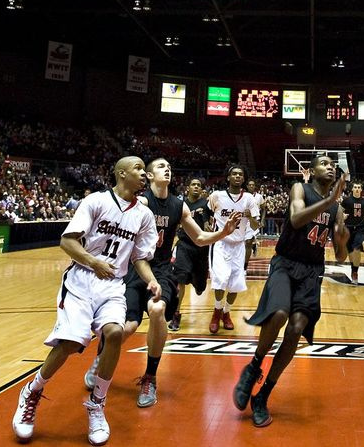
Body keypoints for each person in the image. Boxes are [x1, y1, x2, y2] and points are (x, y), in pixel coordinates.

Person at [12, 156, 160, 445]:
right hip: (81, 279)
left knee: (115, 333)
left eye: (146, 170)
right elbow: (67, 242)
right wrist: (94, 262)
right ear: (121, 174)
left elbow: (139, 257)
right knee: (70, 343)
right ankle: (32, 390)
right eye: (139, 169)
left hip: (113, 284)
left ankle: (96, 405)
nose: (145, 175)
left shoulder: (144, 215)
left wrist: (150, 279)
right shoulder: (95, 202)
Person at [83, 159, 240, 408]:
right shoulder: (141, 202)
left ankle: (150, 377)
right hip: (134, 268)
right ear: (149, 175)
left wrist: (224, 233)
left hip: (162, 270)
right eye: (160, 167)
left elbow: (199, 237)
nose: (167, 169)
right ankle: (101, 357)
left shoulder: (179, 205)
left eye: (169, 166)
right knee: (127, 327)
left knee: (157, 310)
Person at [232, 155, 349, 427]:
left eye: (333, 164)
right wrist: (330, 200)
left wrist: (342, 243)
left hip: (311, 272)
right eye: (324, 162)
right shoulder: (300, 189)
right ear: (311, 170)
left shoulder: (337, 211)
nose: (330, 166)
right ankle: (253, 367)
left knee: (296, 328)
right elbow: (296, 219)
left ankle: (263, 395)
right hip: (285, 263)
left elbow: (342, 257)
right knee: (279, 313)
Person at [207, 164, 257, 334]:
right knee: (220, 280)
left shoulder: (249, 199)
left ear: (244, 178)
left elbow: (257, 224)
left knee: (236, 284)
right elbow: (207, 212)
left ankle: (226, 312)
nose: (237, 177)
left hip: (239, 245)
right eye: (234, 174)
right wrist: (207, 226)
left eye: (240, 174)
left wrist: (251, 218)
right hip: (220, 243)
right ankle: (217, 312)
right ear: (228, 177)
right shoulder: (217, 196)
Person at [168, 177, 213, 332]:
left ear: (201, 190)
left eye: (198, 185)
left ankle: (197, 282)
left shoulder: (206, 205)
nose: (196, 187)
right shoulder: (179, 205)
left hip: (201, 248)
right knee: (179, 280)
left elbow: (209, 223)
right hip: (184, 246)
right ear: (187, 188)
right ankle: (176, 313)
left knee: (200, 286)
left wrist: (210, 229)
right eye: (193, 184)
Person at [341, 181, 364, 284]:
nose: (357, 189)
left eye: (359, 187)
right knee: (350, 251)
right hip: (348, 228)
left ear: (361, 189)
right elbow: (339, 211)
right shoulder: (346, 200)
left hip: (360, 228)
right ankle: (353, 269)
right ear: (352, 189)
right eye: (355, 187)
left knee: (356, 248)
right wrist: (342, 216)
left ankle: (355, 272)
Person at [244, 178, 267, 264]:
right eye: (249, 185)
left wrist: (262, 220)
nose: (251, 186)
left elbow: (264, 209)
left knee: (248, 241)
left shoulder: (259, 197)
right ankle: (253, 246)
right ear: (247, 186)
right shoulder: (243, 195)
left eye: (253, 185)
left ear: (255, 187)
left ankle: (245, 266)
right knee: (245, 242)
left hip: (254, 219)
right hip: (245, 220)